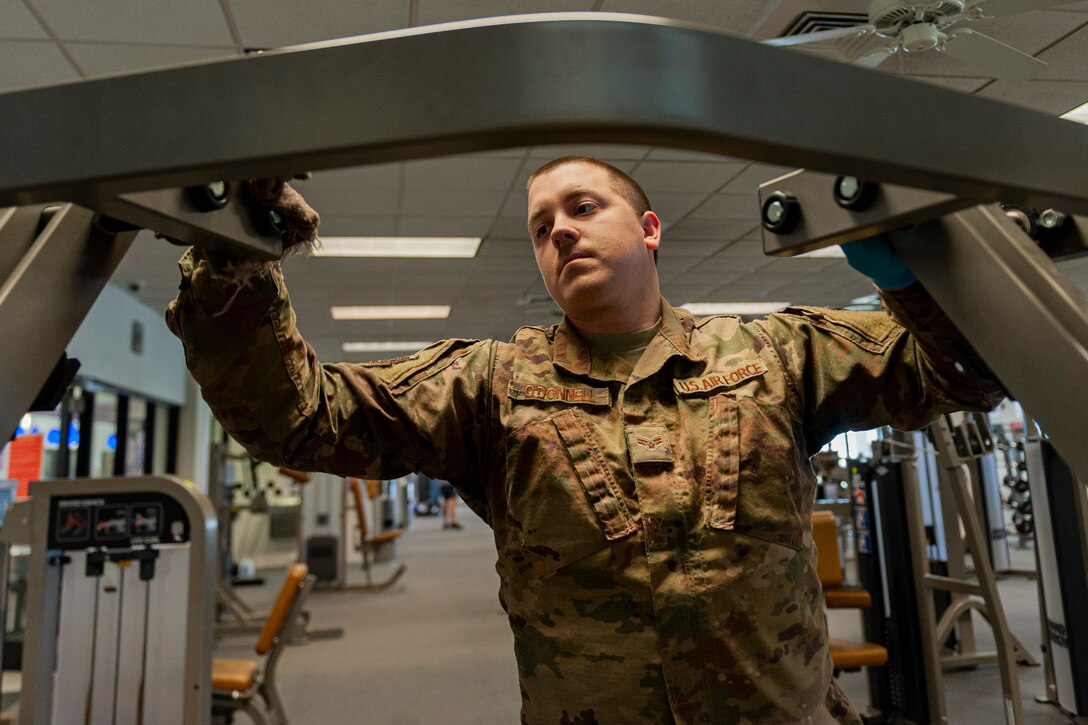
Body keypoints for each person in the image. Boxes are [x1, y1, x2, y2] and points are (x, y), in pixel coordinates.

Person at [167, 156, 1002, 724]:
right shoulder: (489, 385)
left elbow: (963, 370)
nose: (558, 230)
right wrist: (235, 255)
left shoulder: (772, 352)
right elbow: (298, 417)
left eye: (582, 207)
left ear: (648, 229)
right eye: (539, 227)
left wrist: (918, 277)